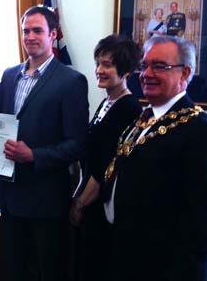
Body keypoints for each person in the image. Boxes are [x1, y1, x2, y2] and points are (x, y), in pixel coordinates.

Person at [104, 35, 207, 281]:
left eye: (159, 66)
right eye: (144, 65)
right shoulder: (144, 118)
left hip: (161, 267)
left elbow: (199, 221)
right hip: (124, 256)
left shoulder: (198, 129)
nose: (146, 74)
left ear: (185, 73)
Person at [0, 6, 89, 281]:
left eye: (38, 30)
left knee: (46, 273)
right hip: (9, 196)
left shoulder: (71, 80)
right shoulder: (9, 75)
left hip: (45, 200)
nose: (30, 36)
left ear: (53, 35)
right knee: (12, 270)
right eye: (26, 31)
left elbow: (77, 144)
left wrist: (33, 155)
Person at [69, 34, 142, 281]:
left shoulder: (129, 107)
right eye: (98, 63)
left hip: (101, 208)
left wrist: (80, 204)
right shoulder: (107, 102)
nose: (99, 70)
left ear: (126, 71)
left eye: (108, 65)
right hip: (90, 201)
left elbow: (106, 166)